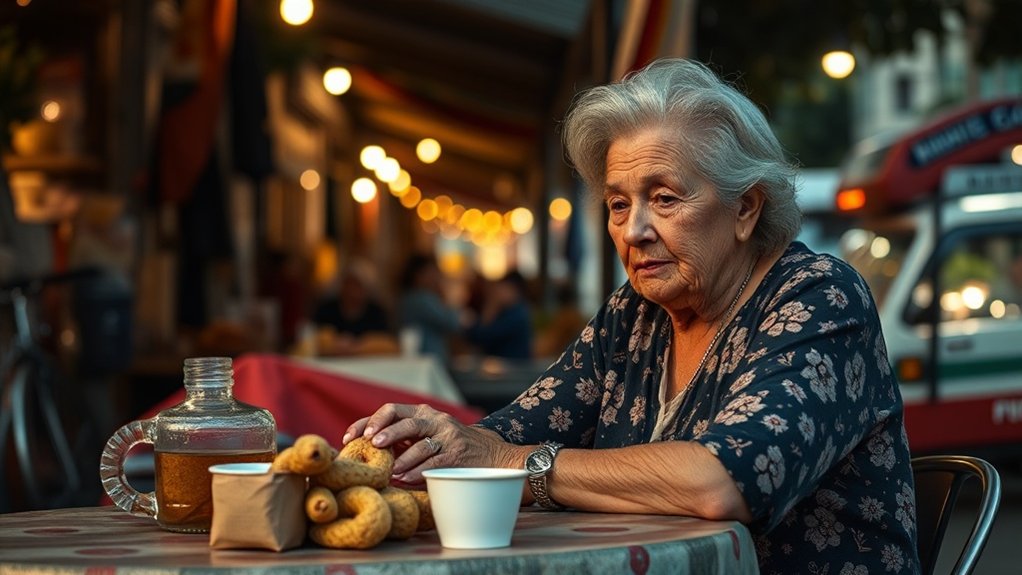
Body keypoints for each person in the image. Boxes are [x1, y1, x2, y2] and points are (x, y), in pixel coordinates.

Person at [342, 59, 920, 574]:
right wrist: (435, 445)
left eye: (665, 199)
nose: (635, 230)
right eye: (619, 205)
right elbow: (512, 433)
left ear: (745, 208)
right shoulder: (635, 314)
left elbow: (726, 481)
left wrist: (511, 463)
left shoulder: (819, 298)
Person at [310, 260, 396, 356]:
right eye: (348, 283)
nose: (351, 290)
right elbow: (312, 339)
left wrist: (357, 347)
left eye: (357, 285)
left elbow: (389, 344)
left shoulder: (376, 313)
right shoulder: (327, 309)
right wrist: (335, 346)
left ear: (367, 290)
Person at [396, 253, 466, 364]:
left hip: (423, 356)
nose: (435, 277)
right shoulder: (421, 299)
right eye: (430, 272)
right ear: (418, 275)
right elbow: (451, 322)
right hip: (427, 356)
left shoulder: (409, 297)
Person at [464, 270, 534, 360]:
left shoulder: (517, 315)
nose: (497, 293)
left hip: (513, 369)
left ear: (513, 290)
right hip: (505, 367)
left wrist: (491, 307)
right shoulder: (509, 310)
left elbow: (483, 336)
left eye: (502, 288)